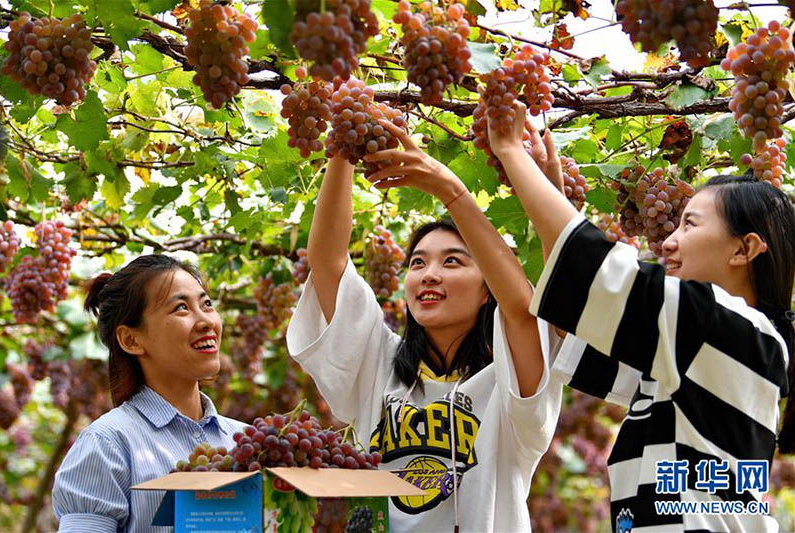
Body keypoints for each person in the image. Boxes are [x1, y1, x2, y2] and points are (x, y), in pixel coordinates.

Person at [488, 101, 795, 531]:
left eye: (690, 225)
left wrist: (509, 151)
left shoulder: (729, 328)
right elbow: (575, 313)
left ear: (744, 249)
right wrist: (549, 185)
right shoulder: (693, 356)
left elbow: (591, 272)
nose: (668, 242)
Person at [286, 127, 563, 532]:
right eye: (418, 262)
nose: (429, 274)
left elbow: (522, 311)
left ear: (488, 288)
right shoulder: (379, 365)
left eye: (452, 262)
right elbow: (328, 262)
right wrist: (348, 138)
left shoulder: (509, 385)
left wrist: (450, 190)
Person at [52, 255, 247, 533]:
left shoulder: (245, 440)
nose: (206, 321)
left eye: (206, 304)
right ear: (131, 339)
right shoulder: (107, 445)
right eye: (181, 308)